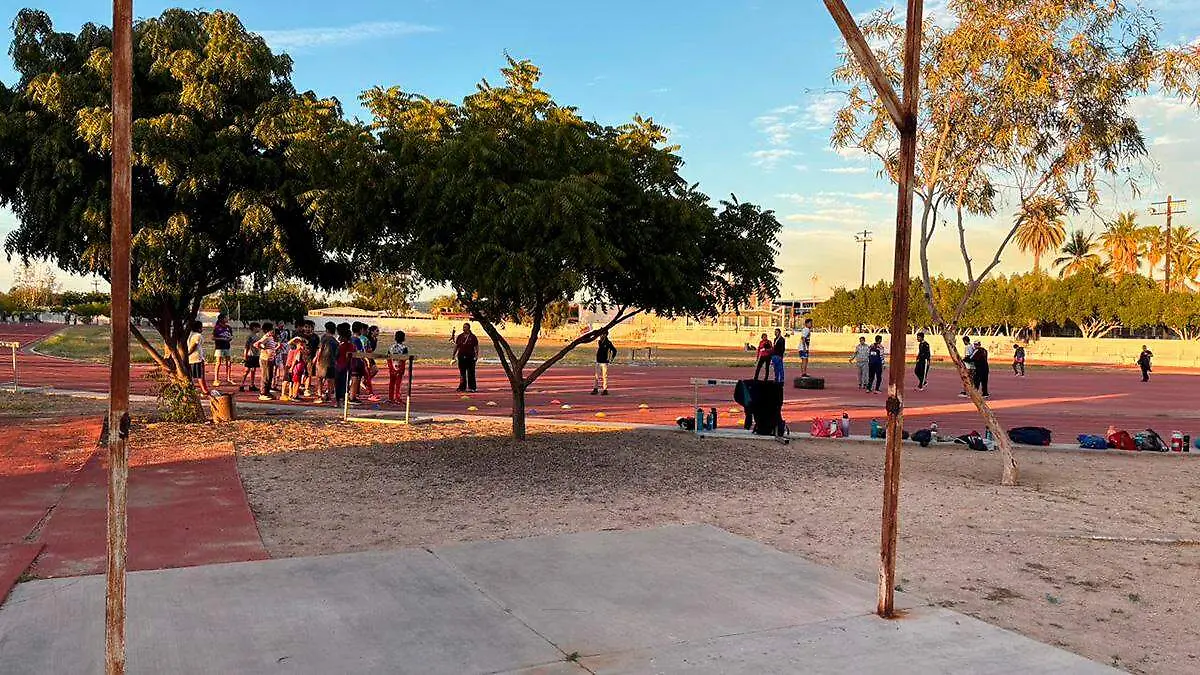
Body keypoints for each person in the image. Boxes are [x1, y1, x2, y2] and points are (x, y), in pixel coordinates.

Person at [186, 320, 214, 397]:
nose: (202, 329)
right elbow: (193, 347)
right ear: (199, 328)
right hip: (197, 358)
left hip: (191, 359)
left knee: (192, 375)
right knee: (200, 376)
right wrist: (188, 354)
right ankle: (204, 390)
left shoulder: (190, 335)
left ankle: (191, 389)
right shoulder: (198, 336)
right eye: (201, 327)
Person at [253, 322, 279, 401]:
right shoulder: (266, 337)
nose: (273, 331)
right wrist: (262, 347)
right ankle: (263, 393)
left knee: (270, 376)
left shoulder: (271, 338)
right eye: (272, 329)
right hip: (265, 359)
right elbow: (256, 344)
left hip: (270, 359)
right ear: (268, 330)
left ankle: (267, 391)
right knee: (265, 376)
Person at [315, 321, 338, 403]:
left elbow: (320, 349)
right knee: (330, 380)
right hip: (332, 362)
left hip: (323, 362)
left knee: (320, 379)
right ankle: (328, 396)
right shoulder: (335, 341)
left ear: (327, 329)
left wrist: (317, 359)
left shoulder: (324, 338)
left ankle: (319, 394)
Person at [334, 323, 356, 407]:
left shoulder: (340, 346)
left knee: (338, 384)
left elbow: (336, 356)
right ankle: (342, 401)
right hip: (347, 367)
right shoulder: (352, 346)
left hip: (339, 367)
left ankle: (338, 402)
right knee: (345, 385)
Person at [453, 322, 480, 392]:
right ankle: (462, 387)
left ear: (468, 328)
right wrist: (453, 355)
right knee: (462, 373)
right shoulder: (460, 336)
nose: (463, 328)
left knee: (471, 372)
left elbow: (476, 347)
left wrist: (477, 355)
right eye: (463, 327)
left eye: (465, 327)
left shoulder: (473, 337)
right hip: (461, 357)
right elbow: (456, 346)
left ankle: (472, 387)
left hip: (470, 357)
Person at [591, 330, 617, 395]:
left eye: (602, 334)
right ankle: (595, 389)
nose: (600, 336)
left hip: (604, 362)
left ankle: (605, 389)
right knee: (596, 376)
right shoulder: (599, 342)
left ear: (605, 335)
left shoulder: (608, 343)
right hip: (598, 361)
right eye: (600, 335)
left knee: (604, 376)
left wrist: (611, 359)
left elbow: (614, 350)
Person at [212, 313, 235, 386]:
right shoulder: (217, 327)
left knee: (228, 362)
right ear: (221, 319)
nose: (227, 319)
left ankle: (228, 378)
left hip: (227, 346)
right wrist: (221, 338)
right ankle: (216, 379)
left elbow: (231, 336)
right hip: (219, 347)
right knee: (218, 363)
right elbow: (213, 337)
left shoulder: (229, 327)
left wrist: (230, 338)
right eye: (226, 318)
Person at [387, 330, 410, 404]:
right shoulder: (404, 348)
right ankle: (397, 397)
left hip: (392, 366)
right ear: (403, 338)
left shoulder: (391, 347)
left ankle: (391, 398)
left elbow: (388, 358)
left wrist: (391, 367)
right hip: (400, 367)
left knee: (392, 382)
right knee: (398, 383)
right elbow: (405, 358)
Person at [239, 322, 261, 393]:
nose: (259, 329)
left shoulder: (257, 337)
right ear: (254, 328)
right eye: (258, 327)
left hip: (256, 355)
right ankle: (242, 384)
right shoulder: (250, 336)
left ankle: (252, 385)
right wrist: (245, 356)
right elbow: (246, 346)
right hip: (250, 355)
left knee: (253, 370)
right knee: (247, 370)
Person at [302, 320, 320, 398]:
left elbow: (318, 348)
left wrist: (316, 358)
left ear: (312, 328)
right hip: (300, 358)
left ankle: (306, 389)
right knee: (300, 373)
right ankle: (300, 387)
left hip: (310, 358)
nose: (307, 329)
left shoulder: (315, 337)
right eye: (306, 327)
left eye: (309, 327)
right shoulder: (300, 336)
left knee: (309, 374)